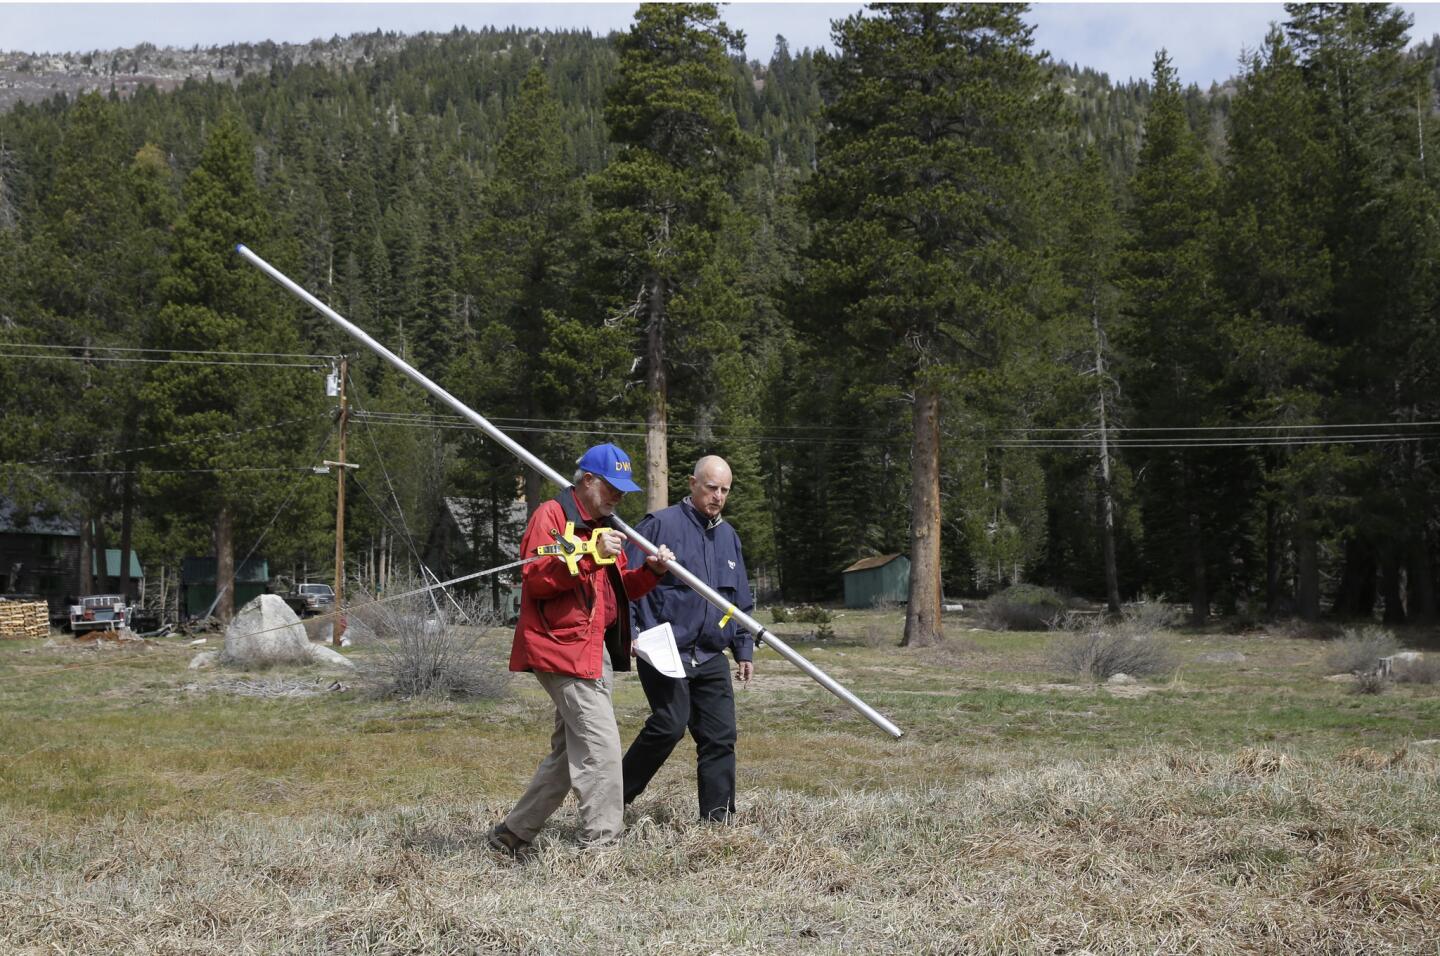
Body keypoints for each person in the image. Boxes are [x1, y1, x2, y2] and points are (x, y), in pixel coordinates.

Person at [488, 443, 674, 859]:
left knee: (569, 753)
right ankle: (601, 849)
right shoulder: (552, 517)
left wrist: (651, 572)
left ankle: (511, 835)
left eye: (624, 491)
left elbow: (618, 588)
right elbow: (537, 578)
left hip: (593, 650)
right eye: (611, 487)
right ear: (587, 480)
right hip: (560, 649)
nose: (618, 497)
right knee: (603, 748)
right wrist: (591, 554)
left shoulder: (603, 525)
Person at [622, 455, 754, 822]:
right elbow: (624, 582)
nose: (718, 496)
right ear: (692, 483)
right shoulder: (658, 526)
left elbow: (738, 600)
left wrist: (742, 647)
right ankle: (612, 800)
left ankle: (717, 822)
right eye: (711, 487)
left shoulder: (729, 538)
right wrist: (630, 633)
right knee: (669, 725)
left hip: (710, 653)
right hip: (664, 648)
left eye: (724, 490)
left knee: (720, 737)